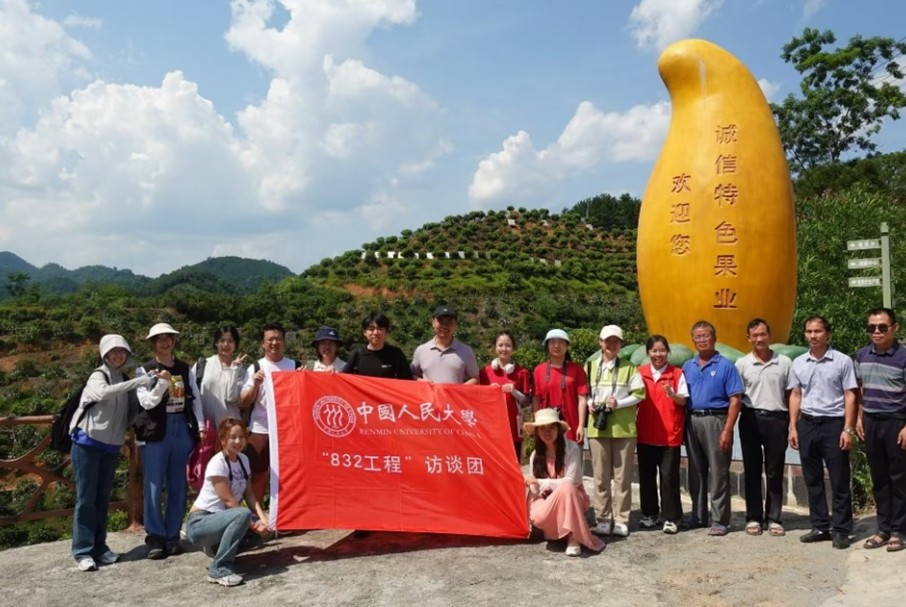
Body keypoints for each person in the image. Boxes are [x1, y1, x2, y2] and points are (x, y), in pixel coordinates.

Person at [70, 334, 162, 571]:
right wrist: (138, 382)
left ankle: (100, 548)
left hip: (110, 446)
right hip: (87, 443)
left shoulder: (124, 379)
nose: (118, 355)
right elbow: (102, 394)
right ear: (104, 354)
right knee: (86, 499)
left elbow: (132, 411)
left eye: (122, 351)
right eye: (113, 351)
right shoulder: (98, 376)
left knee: (102, 499)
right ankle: (82, 551)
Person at [788, 316, 858, 549]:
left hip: (833, 424)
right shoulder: (799, 362)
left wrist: (847, 428)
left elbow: (850, 395)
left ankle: (841, 529)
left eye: (818, 331)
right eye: (809, 331)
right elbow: (796, 394)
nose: (813, 336)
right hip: (807, 424)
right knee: (812, 477)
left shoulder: (842, 361)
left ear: (827, 333)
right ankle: (819, 526)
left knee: (839, 478)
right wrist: (793, 426)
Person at [135, 322, 203, 559]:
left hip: (181, 427)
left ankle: (172, 535)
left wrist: (201, 427)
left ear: (174, 341)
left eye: (168, 338)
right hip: (157, 430)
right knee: (153, 484)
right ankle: (155, 536)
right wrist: (162, 383)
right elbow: (146, 402)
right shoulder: (145, 370)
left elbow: (195, 399)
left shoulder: (185, 369)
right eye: (159, 339)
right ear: (153, 343)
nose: (164, 342)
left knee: (178, 485)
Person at [186, 417, 270, 587]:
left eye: (242, 437)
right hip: (201, 523)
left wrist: (264, 519)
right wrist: (253, 525)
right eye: (232, 437)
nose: (238, 441)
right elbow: (228, 501)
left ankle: (215, 549)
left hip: (223, 518)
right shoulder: (217, 463)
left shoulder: (243, 460)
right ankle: (219, 570)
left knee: (259, 534)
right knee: (244, 515)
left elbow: (249, 494)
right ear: (223, 439)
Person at [581, 325, 645, 538]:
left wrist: (619, 403)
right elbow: (583, 392)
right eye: (607, 340)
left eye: (615, 341)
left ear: (621, 344)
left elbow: (639, 394)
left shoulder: (629, 367)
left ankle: (622, 519)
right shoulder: (589, 366)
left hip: (624, 429)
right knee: (600, 477)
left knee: (622, 477)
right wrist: (590, 402)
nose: (611, 344)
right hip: (597, 428)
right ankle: (603, 518)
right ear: (600, 342)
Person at [681, 320, 743, 536]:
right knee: (696, 471)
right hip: (692, 420)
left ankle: (719, 519)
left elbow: (735, 400)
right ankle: (698, 516)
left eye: (706, 335)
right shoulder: (687, 366)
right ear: (692, 340)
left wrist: (728, 429)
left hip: (716, 420)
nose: (702, 340)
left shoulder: (726, 366)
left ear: (714, 338)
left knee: (718, 471)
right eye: (697, 336)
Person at [854, 308, 906, 552]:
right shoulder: (862, 355)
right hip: (871, 422)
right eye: (872, 327)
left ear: (894, 328)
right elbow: (859, 390)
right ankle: (883, 529)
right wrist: (859, 417)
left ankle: (899, 530)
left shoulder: (903, 357)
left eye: (882, 327)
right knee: (880, 478)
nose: (876, 331)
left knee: (899, 478)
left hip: (896, 421)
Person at [735, 318, 792, 537]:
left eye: (763, 334)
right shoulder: (742, 363)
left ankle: (774, 518)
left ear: (769, 335)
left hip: (777, 419)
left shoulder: (784, 362)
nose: (759, 339)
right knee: (751, 470)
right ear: (748, 338)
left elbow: (791, 394)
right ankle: (754, 517)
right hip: (750, 418)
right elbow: (737, 396)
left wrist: (792, 423)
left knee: (775, 470)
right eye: (755, 335)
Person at [523, 408, 605, 557]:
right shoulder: (535, 455)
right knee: (537, 514)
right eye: (542, 429)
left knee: (567, 487)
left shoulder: (571, 448)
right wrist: (530, 483)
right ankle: (557, 531)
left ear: (559, 430)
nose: (547, 432)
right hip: (547, 500)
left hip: (572, 498)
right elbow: (535, 487)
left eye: (551, 428)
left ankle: (574, 538)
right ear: (537, 432)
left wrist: (541, 482)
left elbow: (572, 480)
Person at [239, 322, 300, 503]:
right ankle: (256, 516)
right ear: (263, 343)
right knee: (258, 475)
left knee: (289, 476)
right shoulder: (256, 367)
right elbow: (244, 401)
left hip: (288, 431)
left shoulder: (295, 366)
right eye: (270, 339)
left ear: (284, 341)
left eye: (278, 339)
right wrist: (255, 385)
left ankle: (286, 514)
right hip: (261, 430)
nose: (274, 343)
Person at [636, 335, 689, 535]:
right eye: (654, 351)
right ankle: (649, 514)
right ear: (648, 352)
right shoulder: (640, 373)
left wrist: (672, 394)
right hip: (645, 434)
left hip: (669, 435)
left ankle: (672, 517)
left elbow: (683, 401)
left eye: (662, 350)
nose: (658, 354)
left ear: (668, 352)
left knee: (669, 478)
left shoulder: (676, 373)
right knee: (646, 477)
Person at [478, 331, 532, 458]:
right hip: (491, 426)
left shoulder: (522, 372)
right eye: (500, 345)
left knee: (513, 462)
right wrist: (488, 391)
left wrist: (514, 392)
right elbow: (478, 400)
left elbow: (527, 402)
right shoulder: (485, 372)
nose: (504, 349)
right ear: (494, 348)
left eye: (508, 345)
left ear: (514, 348)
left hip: (513, 426)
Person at [532, 329, 588, 443]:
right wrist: (536, 423)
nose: (556, 346)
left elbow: (582, 399)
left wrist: (581, 425)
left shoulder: (577, 370)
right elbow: (536, 399)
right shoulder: (538, 370)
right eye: (552, 342)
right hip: (545, 426)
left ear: (567, 346)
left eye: (561, 342)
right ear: (547, 346)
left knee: (572, 454)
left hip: (571, 425)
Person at [192, 326, 248, 427]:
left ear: (235, 345)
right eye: (222, 341)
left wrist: (234, 369)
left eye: (230, 341)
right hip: (205, 428)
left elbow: (231, 398)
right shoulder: (202, 365)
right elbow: (192, 394)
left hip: (231, 429)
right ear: (216, 343)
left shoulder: (241, 372)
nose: (226, 345)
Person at [411, 305, 479, 384]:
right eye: (440, 320)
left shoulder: (466, 351)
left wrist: (459, 389)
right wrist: (424, 382)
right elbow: (411, 376)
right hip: (428, 392)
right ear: (433, 323)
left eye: (449, 321)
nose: (444, 325)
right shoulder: (421, 350)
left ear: (455, 324)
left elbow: (475, 378)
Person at [342, 312, 414, 379]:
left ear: (386, 332)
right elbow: (343, 378)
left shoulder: (396, 354)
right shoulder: (357, 354)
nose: (376, 332)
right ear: (364, 332)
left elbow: (407, 381)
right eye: (371, 329)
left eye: (380, 329)